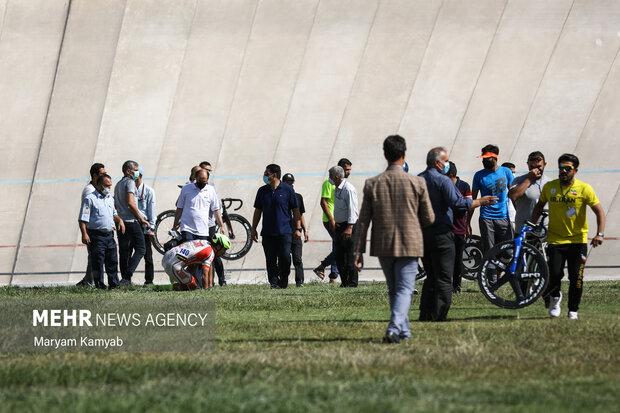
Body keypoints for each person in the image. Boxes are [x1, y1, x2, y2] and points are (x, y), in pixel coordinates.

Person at [353, 135, 434, 343]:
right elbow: (429, 217)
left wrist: (358, 250)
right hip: (410, 242)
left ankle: (403, 331)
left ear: (385, 155)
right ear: (404, 154)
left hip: (383, 242)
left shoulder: (373, 183)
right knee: (405, 289)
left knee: (394, 289)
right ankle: (394, 327)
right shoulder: (417, 182)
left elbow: (363, 220)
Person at [419, 148, 498, 321]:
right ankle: (439, 314)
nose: (447, 165)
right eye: (445, 161)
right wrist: (479, 201)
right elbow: (458, 204)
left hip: (423, 234)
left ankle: (425, 313)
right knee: (445, 277)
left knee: (430, 275)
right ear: (438, 163)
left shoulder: (417, 180)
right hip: (442, 232)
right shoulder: (444, 181)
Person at [531, 153, 606, 320]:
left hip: (578, 241)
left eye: (567, 168)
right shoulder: (550, 187)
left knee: (576, 277)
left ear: (575, 170)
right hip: (555, 240)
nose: (563, 171)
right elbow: (539, 207)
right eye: (561, 168)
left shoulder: (584, 188)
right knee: (555, 274)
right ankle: (555, 299)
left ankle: (573, 310)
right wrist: (530, 224)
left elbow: (599, 212)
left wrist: (599, 234)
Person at [251, 164, 301, 289]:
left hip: (285, 231)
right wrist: (253, 228)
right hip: (268, 232)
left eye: (266, 174)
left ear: (274, 175)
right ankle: (274, 283)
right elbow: (258, 211)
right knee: (270, 259)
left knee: (285, 257)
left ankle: (283, 278)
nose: (264, 176)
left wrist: (298, 228)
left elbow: (295, 210)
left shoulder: (288, 190)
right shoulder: (262, 191)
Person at [173, 169, 225, 287]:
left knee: (206, 257)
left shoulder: (210, 190)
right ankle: (192, 283)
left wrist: (221, 225)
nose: (203, 183)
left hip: (203, 230)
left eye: (205, 181)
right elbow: (179, 207)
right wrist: (174, 224)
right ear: (195, 178)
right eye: (201, 180)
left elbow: (215, 209)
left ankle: (208, 284)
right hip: (187, 229)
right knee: (190, 258)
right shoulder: (186, 189)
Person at [468, 145, 515, 264]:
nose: (483, 161)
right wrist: (467, 222)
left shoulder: (506, 172)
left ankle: (500, 269)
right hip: (486, 218)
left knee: (508, 251)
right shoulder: (478, 175)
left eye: (486, 158)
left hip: (504, 217)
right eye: (482, 158)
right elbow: (472, 200)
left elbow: (514, 194)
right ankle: (491, 280)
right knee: (490, 252)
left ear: (495, 158)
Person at [78, 174, 125, 289]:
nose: (108, 188)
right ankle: (100, 286)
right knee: (98, 262)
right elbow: (83, 219)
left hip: (109, 235)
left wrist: (119, 220)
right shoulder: (90, 199)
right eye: (106, 186)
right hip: (96, 236)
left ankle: (114, 284)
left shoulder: (110, 198)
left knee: (112, 261)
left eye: (110, 186)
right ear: (99, 185)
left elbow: (114, 214)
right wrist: (84, 234)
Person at [314, 158, 352, 283]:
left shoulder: (343, 184)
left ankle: (333, 276)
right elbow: (323, 202)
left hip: (339, 220)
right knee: (340, 247)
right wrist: (331, 220)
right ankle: (323, 267)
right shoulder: (328, 183)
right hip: (331, 220)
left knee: (337, 246)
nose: (349, 172)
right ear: (340, 170)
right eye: (347, 170)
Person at [115, 160, 151, 286]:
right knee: (141, 249)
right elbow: (131, 203)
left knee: (124, 252)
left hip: (121, 222)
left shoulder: (118, 184)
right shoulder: (130, 182)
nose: (137, 172)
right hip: (131, 221)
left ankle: (125, 280)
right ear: (128, 171)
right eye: (135, 170)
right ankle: (127, 276)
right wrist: (141, 219)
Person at [162, 234, 231, 291]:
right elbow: (204, 274)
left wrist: (210, 285)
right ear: (218, 247)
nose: (224, 252)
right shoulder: (210, 252)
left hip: (167, 256)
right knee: (194, 286)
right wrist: (206, 290)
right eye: (224, 249)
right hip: (173, 265)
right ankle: (163, 288)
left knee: (196, 264)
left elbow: (209, 265)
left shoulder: (205, 242)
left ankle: (183, 282)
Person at [76, 162, 106, 287]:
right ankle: (90, 281)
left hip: (99, 228)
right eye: (102, 174)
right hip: (92, 228)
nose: (104, 176)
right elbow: (86, 212)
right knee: (95, 256)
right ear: (95, 175)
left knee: (96, 256)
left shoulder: (100, 188)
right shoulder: (89, 190)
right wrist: (85, 232)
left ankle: (88, 281)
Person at [508, 151, 551, 234]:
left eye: (539, 167)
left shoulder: (550, 183)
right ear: (527, 164)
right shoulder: (519, 180)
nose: (535, 170)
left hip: (545, 230)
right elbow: (513, 196)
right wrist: (529, 179)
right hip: (524, 229)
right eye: (532, 167)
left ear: (544, 165)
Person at [330, 165, 359, 287]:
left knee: (349, 255)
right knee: (339, 255)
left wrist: (350, 227)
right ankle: (344, 281)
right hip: (340, 226)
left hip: (349, 226)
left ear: (336, 177)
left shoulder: (349, 189)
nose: (329, 178)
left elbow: (353, 209)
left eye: (331, 176)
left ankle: (352, 282)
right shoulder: (337, 188)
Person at [447, 162, 472, 293]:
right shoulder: (443, 185)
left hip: (459, 228)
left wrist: (468, 223)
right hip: (445, 229)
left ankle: (456, 286)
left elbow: (469, 204)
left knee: (457, 259)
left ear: (451, 174)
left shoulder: (464, 186)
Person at [200, 161, 227, 286]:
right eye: (206, 170)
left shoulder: (211, 186)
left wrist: (220, 222)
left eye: (210, 171)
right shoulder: (190, 185)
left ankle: (221, 280)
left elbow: (216, 205)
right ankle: (204, 281)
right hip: (196, 226)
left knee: (214, 254)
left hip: (209, 224)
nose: (208, 173)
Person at [282, 173, 309, 287]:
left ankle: (300, 282)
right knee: (285, 259)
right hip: (284, 232)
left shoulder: (298, 197)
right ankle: (283, 282)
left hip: (296, 232)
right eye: (287, 182)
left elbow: (301, 214)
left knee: (297, 259)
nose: (289, 184)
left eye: (291, 182)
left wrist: (305, 230)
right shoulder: (281, 196)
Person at [135, 167, 157, 285]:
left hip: (145, 225)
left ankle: (149, 280)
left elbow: (152, 210)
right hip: (132, 225)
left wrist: (151, 228)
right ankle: (126, 279)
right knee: (128, 253)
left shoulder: (148, 190)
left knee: (148, 255)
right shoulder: (129, 189)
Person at [501, 162, 517, 230]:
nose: (513, 174)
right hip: (503, 217)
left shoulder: (516, 183)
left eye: (514, 172)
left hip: (513, 216)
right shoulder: (500, 184)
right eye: (511, 172)